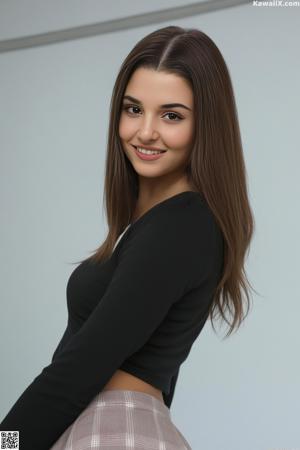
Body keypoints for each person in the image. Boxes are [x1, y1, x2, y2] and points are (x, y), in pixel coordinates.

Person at [0, 25, 255, 449]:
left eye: (171, 115)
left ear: (206, 126)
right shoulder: (161, 225)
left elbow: (81, 368)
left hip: (113, 430)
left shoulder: (181, 226)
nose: (145, 132)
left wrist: (4, 442)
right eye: (133, 109)